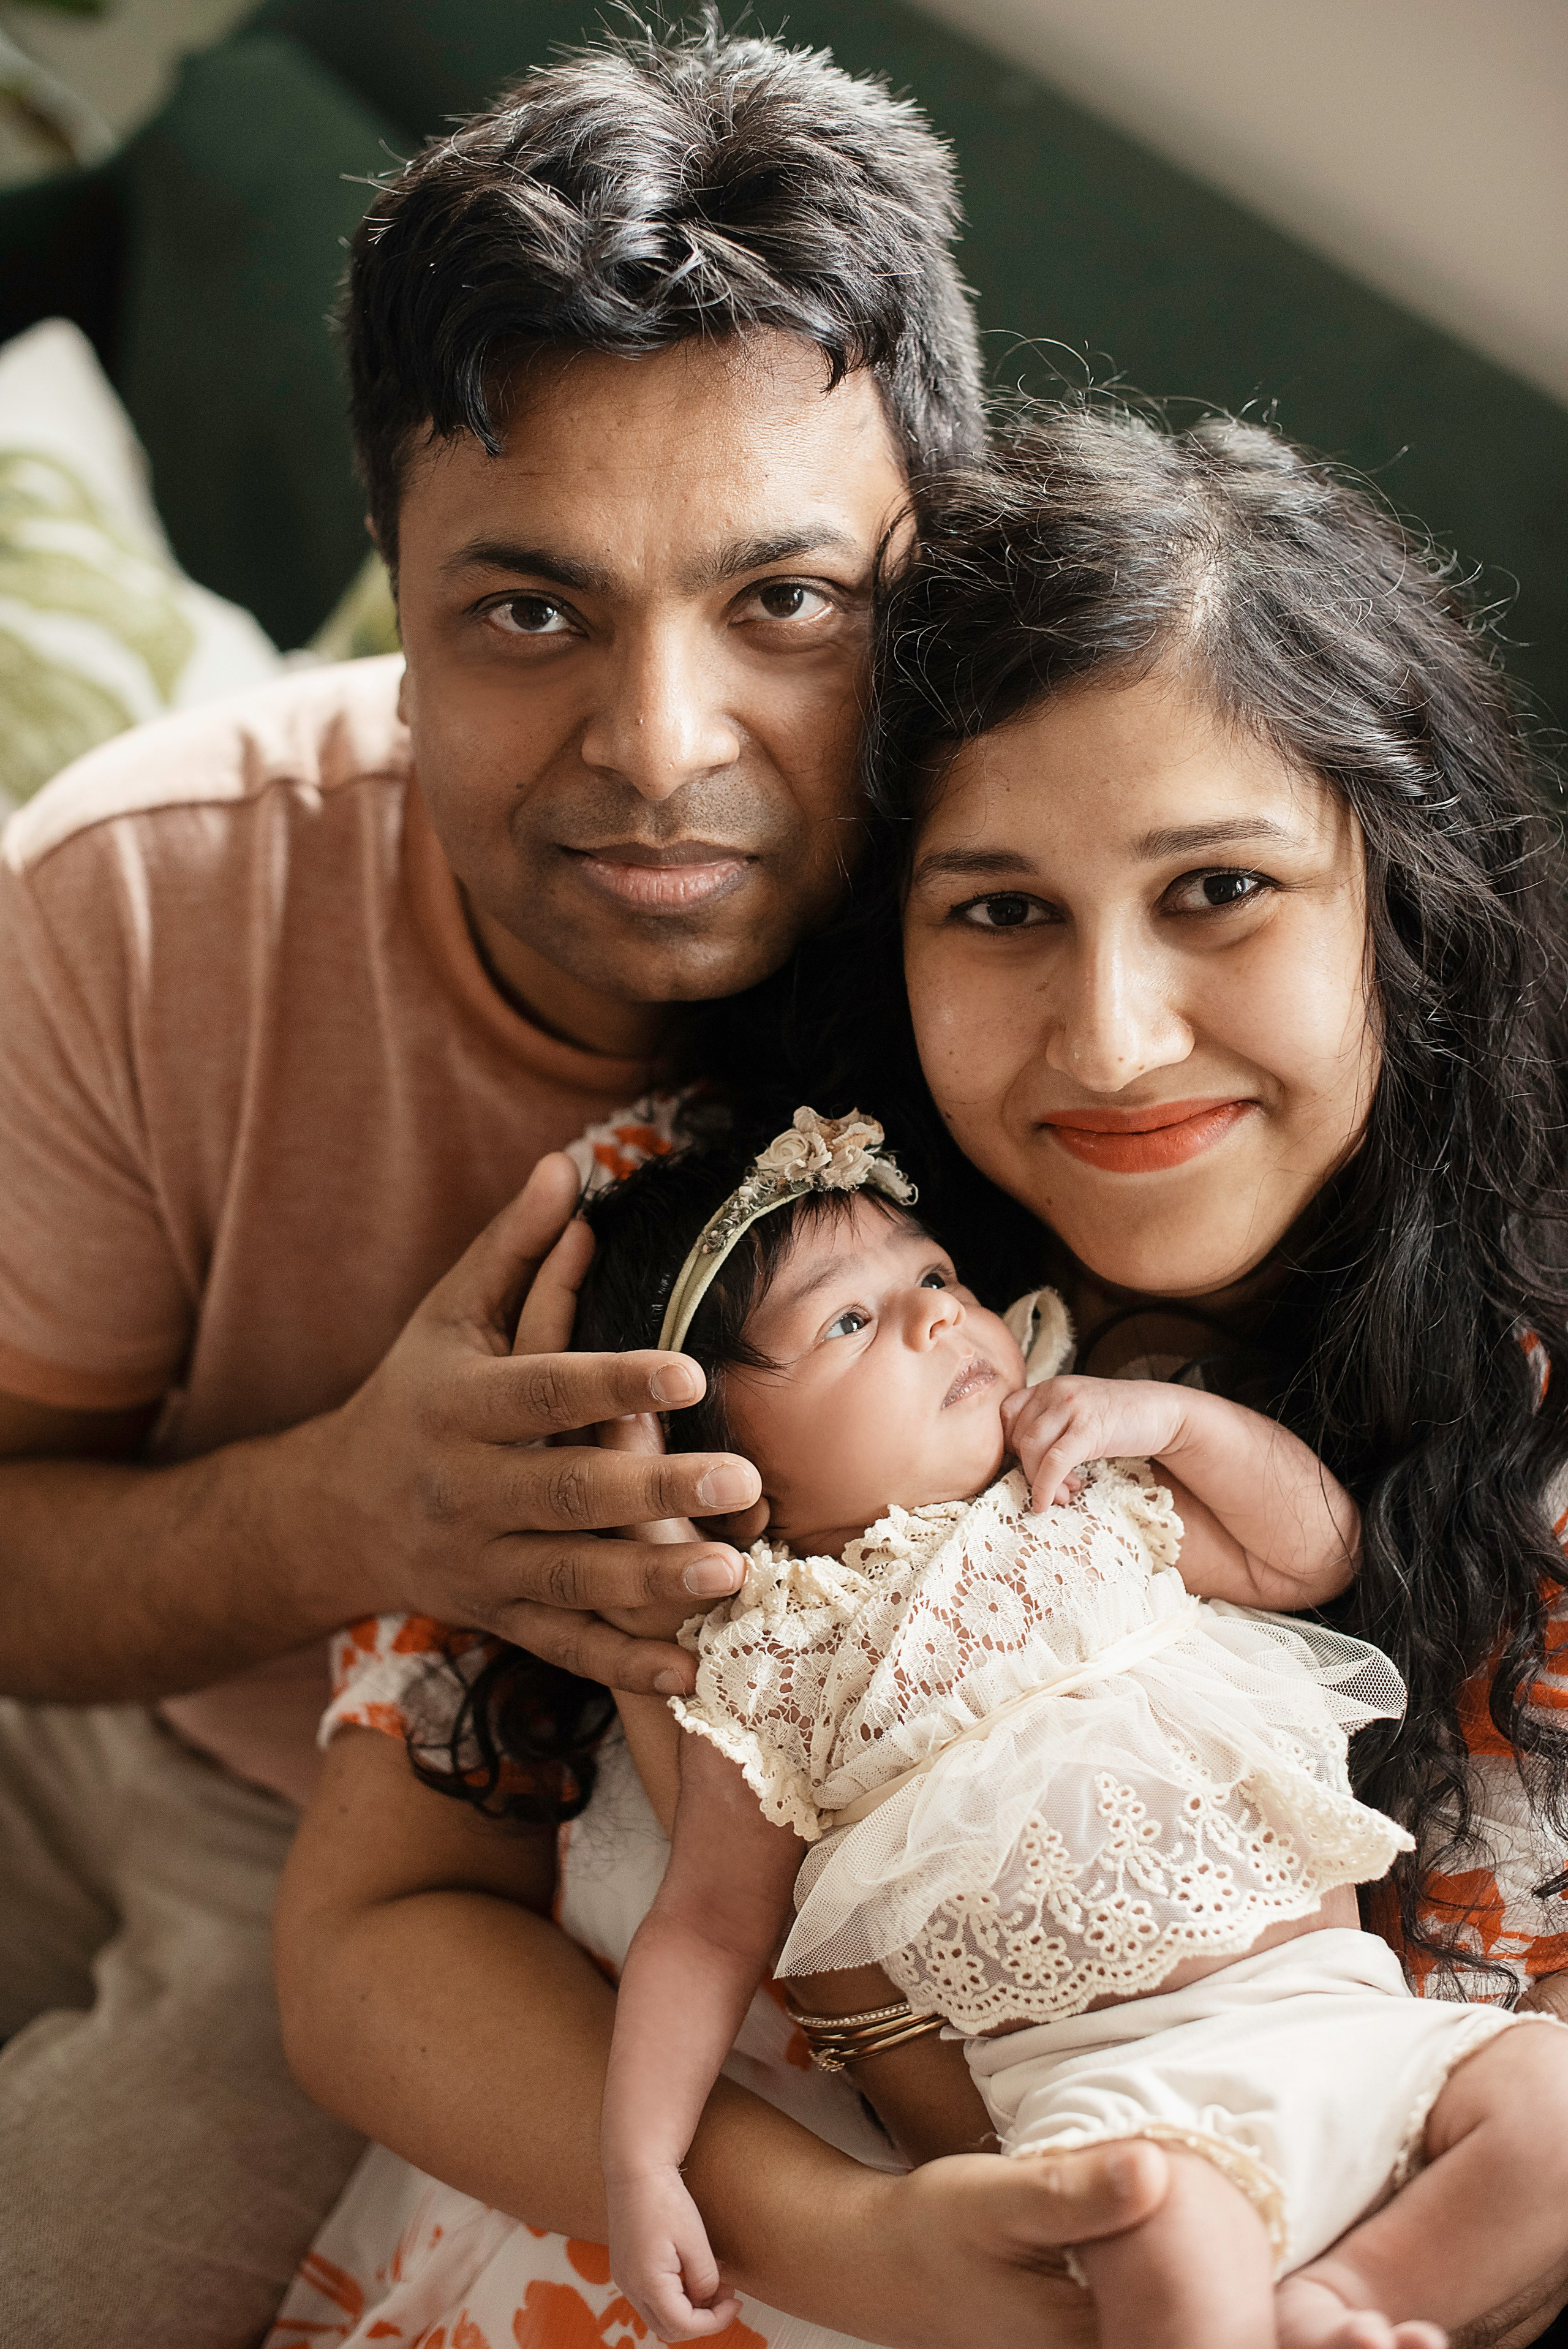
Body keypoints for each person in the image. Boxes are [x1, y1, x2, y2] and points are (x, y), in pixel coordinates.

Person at [4, 25, 1166, 2347]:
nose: (660, 749)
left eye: (787, 604)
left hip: (373, 1862)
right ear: (394, 598)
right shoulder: (128, 901)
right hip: (95, 1687)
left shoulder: (1063, 977)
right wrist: (358, 1510)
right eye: (531, 611)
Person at [272, 405, 1568, 2349]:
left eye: (1220, 888)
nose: (1115, 1040)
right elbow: (376, 1940)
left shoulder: (1523, 1437)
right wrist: (849, 2237)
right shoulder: (690, 1261)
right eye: (1002, 909)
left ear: (1407, 892)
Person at [594, 1116, 1566, 2349]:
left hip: (1351, 2018)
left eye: (936, 1274)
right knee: (1164, 2233)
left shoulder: (1085, 1491)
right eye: (848, 1320)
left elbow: (1312, 1554)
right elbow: (705, 1927)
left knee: (1548, 2100)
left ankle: (1341, 2305)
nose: (936, 1316)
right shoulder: (778, 1658)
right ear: (720, 1470)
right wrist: (641, 2160)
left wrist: (1175, 1424)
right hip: (1116, 2099)